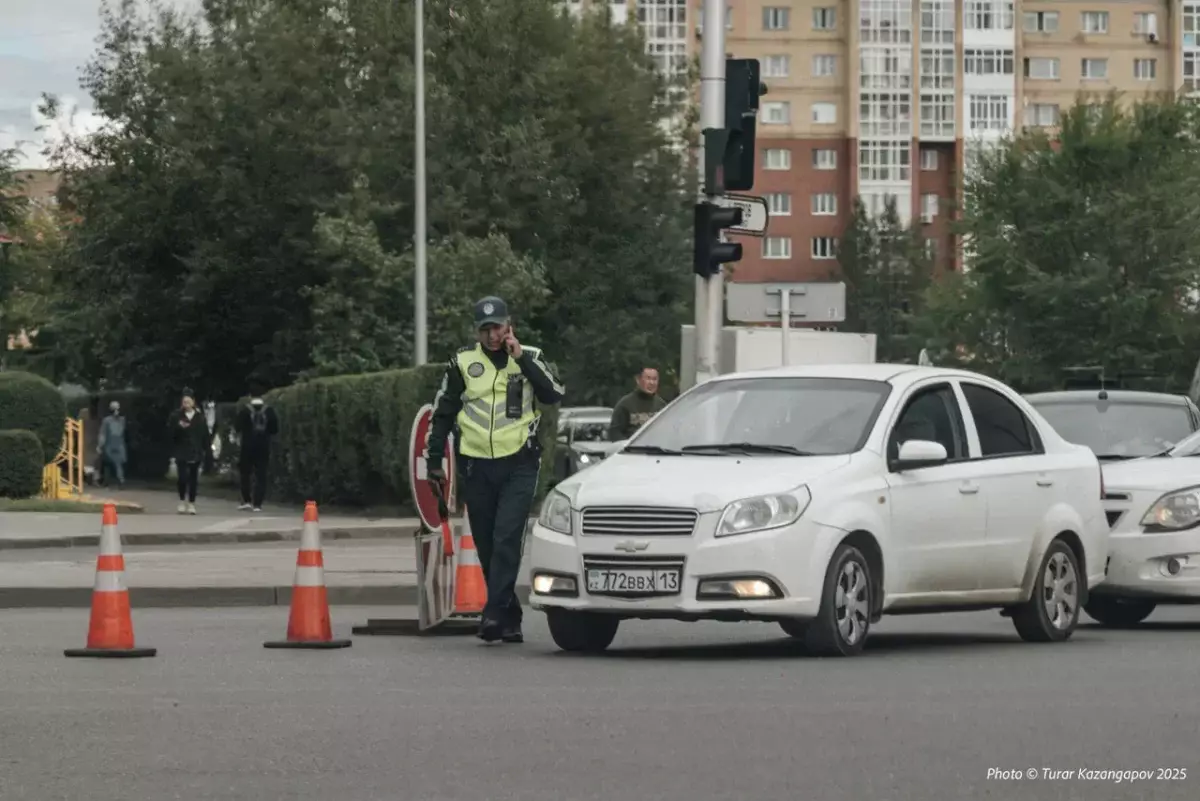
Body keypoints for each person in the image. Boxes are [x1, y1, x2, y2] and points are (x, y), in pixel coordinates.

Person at [426, 296, 565, 644]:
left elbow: (552, 393)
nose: (492, 335)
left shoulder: (530, 357)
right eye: (485, 329)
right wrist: (433, 462)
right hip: (475, 464)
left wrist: (520, 357)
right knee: (487, 544)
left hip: (519, 462)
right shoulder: (462, 362)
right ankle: (510, 615)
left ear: (509, 325)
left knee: (506, 537)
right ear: (477, 331)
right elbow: (442, 412)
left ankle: (491, 613)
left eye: (497, 327)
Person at [169, 389, 209, 515]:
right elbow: (171, 434)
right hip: (182, 451)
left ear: (193, 402)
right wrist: (179, 428)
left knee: (193, 478)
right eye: (184, 402)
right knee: (182, 478)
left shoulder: (200, 417)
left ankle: (191, 503)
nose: (186, 404)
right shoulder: (176, 416)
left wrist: (206, 450)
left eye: (189, 401)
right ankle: (181, 501)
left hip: (195, 451)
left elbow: (205, 435)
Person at [236, 394, 279, 512]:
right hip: (264, 447)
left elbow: (237, 427)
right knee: (261, 475)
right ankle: (258, 504)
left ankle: (247, 500)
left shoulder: (245, 410)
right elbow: (274, 429)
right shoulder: (269, 411)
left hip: (247, 446)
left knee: (245, 473)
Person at [609, 366, 668, 441]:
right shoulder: (625, 404)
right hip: (633, 450)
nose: (652, 383)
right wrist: (627, 447)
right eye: (648, 378)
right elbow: (615, 432)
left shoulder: (661, 405)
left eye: (655, 379)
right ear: (638, 380)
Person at [97, 401, 128, 488]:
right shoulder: (122, 420)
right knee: (116, 464)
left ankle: (115, 481)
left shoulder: (106, 420)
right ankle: (115, 481)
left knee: (108, 463)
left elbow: (102, 434)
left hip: (109, 445)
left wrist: (99, 446)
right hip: (120, 445)